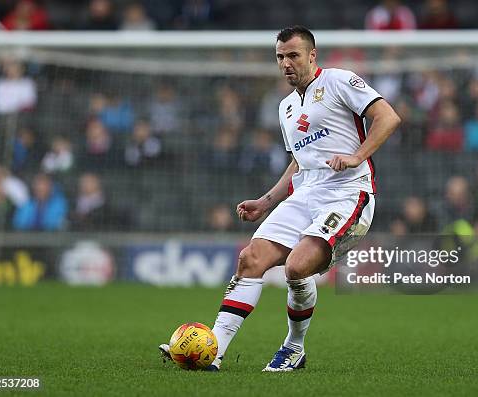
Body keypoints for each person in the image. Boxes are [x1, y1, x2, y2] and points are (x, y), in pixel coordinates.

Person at [159, 26, 401, 371]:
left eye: (293, 55)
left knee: (297, 267)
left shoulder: (338, 81)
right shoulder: (286, 106)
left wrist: (357, 155)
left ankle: (294, 347)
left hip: (348, 195)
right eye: (280, 57)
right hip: (306, 194)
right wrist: (266, 201)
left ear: (312, 55)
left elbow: (388, 117)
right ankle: (213, 351)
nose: (285, 63)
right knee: (250, 259)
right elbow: (299, 162)